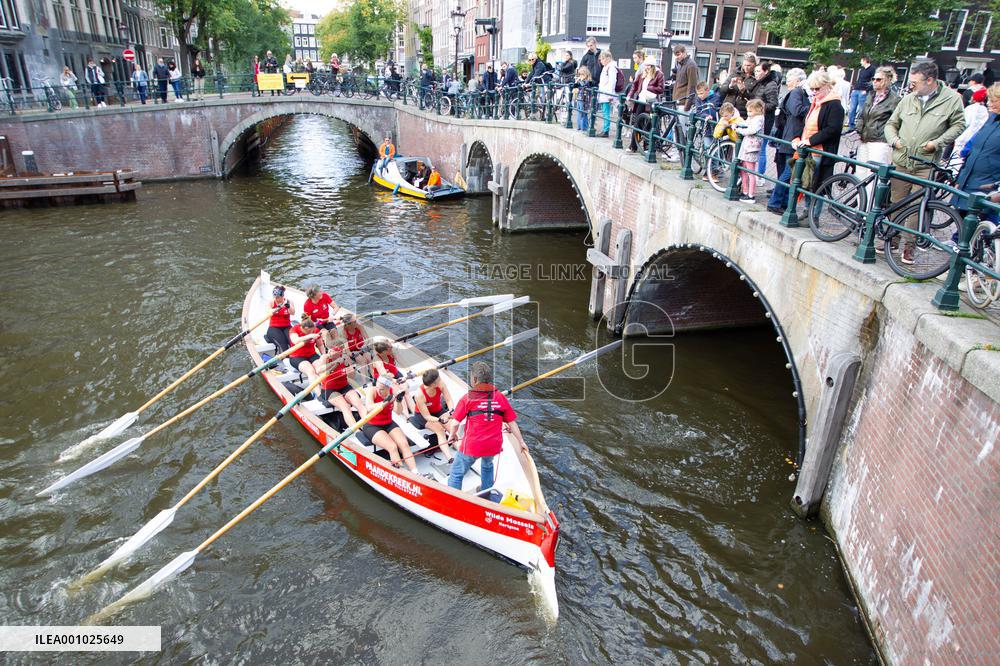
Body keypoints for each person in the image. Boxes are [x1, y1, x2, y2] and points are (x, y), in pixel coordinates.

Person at [883, 60, 966, 264]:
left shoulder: (951, 99)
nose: (911, 86)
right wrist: (894, 140)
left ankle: (909, 247)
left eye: (915, 82)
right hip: (902, 159)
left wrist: (937, 143)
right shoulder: (908, 99)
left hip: (925, 163)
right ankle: (891, 239)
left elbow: (959, 125)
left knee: (916, 206)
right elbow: (891, 124)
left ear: (930, 80)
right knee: (897, 202)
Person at [445, 362, 528, 493]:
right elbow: (512, 422)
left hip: (473, 445)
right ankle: (486, 492)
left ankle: (453, 498)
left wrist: (452, 435)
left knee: (456, 472)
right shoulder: (500, 397)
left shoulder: (468, 398)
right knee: (488, 465)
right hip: (493, 445)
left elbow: (455, 423)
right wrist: (521, 442)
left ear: (475, 379)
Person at [793, 70, 847, 203]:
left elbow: (832, 129)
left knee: (816, 184)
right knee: (806, 182)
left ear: (827, 86)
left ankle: (812, 211)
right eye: (812, 89)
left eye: (817, 89)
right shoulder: (816, 103)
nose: (814, 92)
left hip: (820, 150)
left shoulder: (834, 105)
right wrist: (798, 137)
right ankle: (807, 209)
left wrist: (810, 141)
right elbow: (806, 123)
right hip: (810, 148)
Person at [855, 67, 901, 221]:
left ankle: (868, 214)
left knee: (873, 178)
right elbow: (862, 114)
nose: (875, 82)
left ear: (888, 80)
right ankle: (860, 209)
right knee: (860, 175)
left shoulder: (895, 100)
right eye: (874, 79)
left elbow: (895, 122)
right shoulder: (871, 96)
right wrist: (859, 128)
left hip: (880, 142)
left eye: (879, 79)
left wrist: (889, 138)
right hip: (865, 140)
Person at [952, 84, 1000, 220]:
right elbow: (973, 150)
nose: (988, 103)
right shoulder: (991, 120)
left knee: (983, 221)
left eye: (993, 100)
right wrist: (960, 178)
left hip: (989, 186)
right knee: (963, 220)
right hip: (972, 181)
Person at [767, 68, 809, 214]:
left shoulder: (796, 93)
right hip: (792, 136)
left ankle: (782, 202)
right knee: (788, 172)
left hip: (790, 136)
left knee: (789, 171)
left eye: (789, 80)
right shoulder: (797, 93)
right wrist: (813, 109)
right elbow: (797, 111)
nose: (787, 83)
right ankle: (775, 202)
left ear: (797, 80)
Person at [364, 375, 419, 473]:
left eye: (381, 389)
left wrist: (398, 401)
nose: (379, 390)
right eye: (377, 387)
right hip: (372, 425)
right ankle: (401, 473)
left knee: (404, 444)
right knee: (392, 447)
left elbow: (398, 411)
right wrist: (384, 402)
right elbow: (368, 407)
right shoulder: (372, 391)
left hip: (388, 423)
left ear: (388, 388)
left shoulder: (392, 393)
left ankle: (415, 472)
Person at [316, 337, 365, 427]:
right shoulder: (325, 358)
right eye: (330, 349)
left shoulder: (345, 358)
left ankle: (369, 426)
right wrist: (334, 363)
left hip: (344, 386)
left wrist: (350, 370)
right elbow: (318, 370)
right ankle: (355, 430)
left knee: (359, 404)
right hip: (329, 389)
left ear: (340, 352)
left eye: (334, 350)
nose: (330, 352)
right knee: (345, 407)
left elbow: (351, 376)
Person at [412, 368, 456, 462]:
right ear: (433, 384)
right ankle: (450, 458)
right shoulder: (419, 395)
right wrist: (440, 420)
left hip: (437, 410)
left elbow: (448, 400)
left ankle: (464, 453)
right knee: (440, 430)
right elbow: (427, 416)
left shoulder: (440, 383)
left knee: (452, 427)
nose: (440, 379)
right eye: (438, 379)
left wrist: (451, 411)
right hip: (423, 416)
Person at [747, 61, 780, 178]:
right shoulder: (759, 83)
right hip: (756, 119)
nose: (756, 73)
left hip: (765, 121)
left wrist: (758, 107)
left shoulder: (770, 84)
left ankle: (760, 176)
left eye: (758, 71)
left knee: (761, 150)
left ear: (766, 71)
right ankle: (752, 174)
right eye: (755, 71)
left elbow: (773, 104)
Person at [628, 57, 664, 152]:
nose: (647, 67)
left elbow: (661, 89)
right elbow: (635, 85)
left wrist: (649, 88)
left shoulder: (659, 74)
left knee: (649, 124)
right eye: (646, 65)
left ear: (653, 66)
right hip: (641, 100)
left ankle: (647, 146)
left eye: (649, 66)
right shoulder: (642, 74)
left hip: (651, 102)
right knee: (637, 123)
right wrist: (630, 95)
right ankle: (633, 146)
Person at [737, 99, 765, 203]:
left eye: (750, 111)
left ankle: (751, 195)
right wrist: (737, 124)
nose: (748, 113)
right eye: (748, 111)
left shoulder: (759, 118)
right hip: (747, 146)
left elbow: (752, 130)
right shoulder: (752, 117)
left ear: (758, 110)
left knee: (750, 171)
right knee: (743, 169)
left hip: (752, 147)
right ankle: (745, 191)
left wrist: (739, 130)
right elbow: (746, 123)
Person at [953, 88, 990, 159]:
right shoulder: (986, 111)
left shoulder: (971, 108)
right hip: (976, 142)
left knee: (956, 161)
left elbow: (964, 123)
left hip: (963, 140)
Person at [288, 316, 325, 383]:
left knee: (320, 369)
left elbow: (320, 345)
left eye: (312, 331)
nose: (311, 332)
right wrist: (309, 336)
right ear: (304, 328)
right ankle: (316, 389)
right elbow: (295, 340)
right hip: (297, 357)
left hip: (312, 355)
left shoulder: (316, 330)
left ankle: (325, 386)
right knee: (311, 371)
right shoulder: (295, 329)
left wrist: (323, 355)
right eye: (309, 331)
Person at [596, 50, 620, 137]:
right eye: (601, 59)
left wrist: (610, 95)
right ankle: (605, 129)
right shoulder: (607, 67)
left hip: (607, 95)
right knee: (604, 112)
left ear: (608, 58)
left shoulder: (611, 67)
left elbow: (612, 82)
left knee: (606, 113)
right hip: (604, 93)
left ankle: (606, 130)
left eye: (603, 59)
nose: (601, 61)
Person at [265, 286, 295, 353]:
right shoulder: (271, 302)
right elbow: (268, 312)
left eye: (278, 297)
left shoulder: (289, 301)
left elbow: (293, 313)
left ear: (282, 296)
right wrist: (277, 308)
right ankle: (285, 357)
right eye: (274, 297)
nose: (276, 299)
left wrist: (289, 307)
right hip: (274, 327)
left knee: (293, 342)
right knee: (283, 345)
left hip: (287, 326)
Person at [849, 56, 876, 129]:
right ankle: (851, 126)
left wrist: (866, 90)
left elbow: (873, 81)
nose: (860, 62)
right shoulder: (862, 70)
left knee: (861, 109)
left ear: (865, 61)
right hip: (856, 90)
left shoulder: (872, 69)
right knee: (852, 109)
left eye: (861, 61)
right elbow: (859, 79)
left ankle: (860, 126)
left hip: (863, 91)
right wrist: (854, 88)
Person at [671, 45, 699, 112]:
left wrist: (687, 107)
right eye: (675, 55)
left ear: (684, 52)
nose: (677, 57)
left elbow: (692, 86)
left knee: (682, 120)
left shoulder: (691, 65)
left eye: (678, 54)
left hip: (683, 104)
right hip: (677, 102)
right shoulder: (680, 64)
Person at [574, 66, 594, 132]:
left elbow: (585, 85)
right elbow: (574, 86)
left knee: (583, 113)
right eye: (580, 74)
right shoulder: (580, 81)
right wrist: (576, 81)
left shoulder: (588, 82)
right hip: (579, 98)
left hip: (585, 99)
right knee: (579, 113)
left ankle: (584, 127)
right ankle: (579, 127)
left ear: (586, 74)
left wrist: (581, 81)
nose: (581, 76)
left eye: (582, 74)